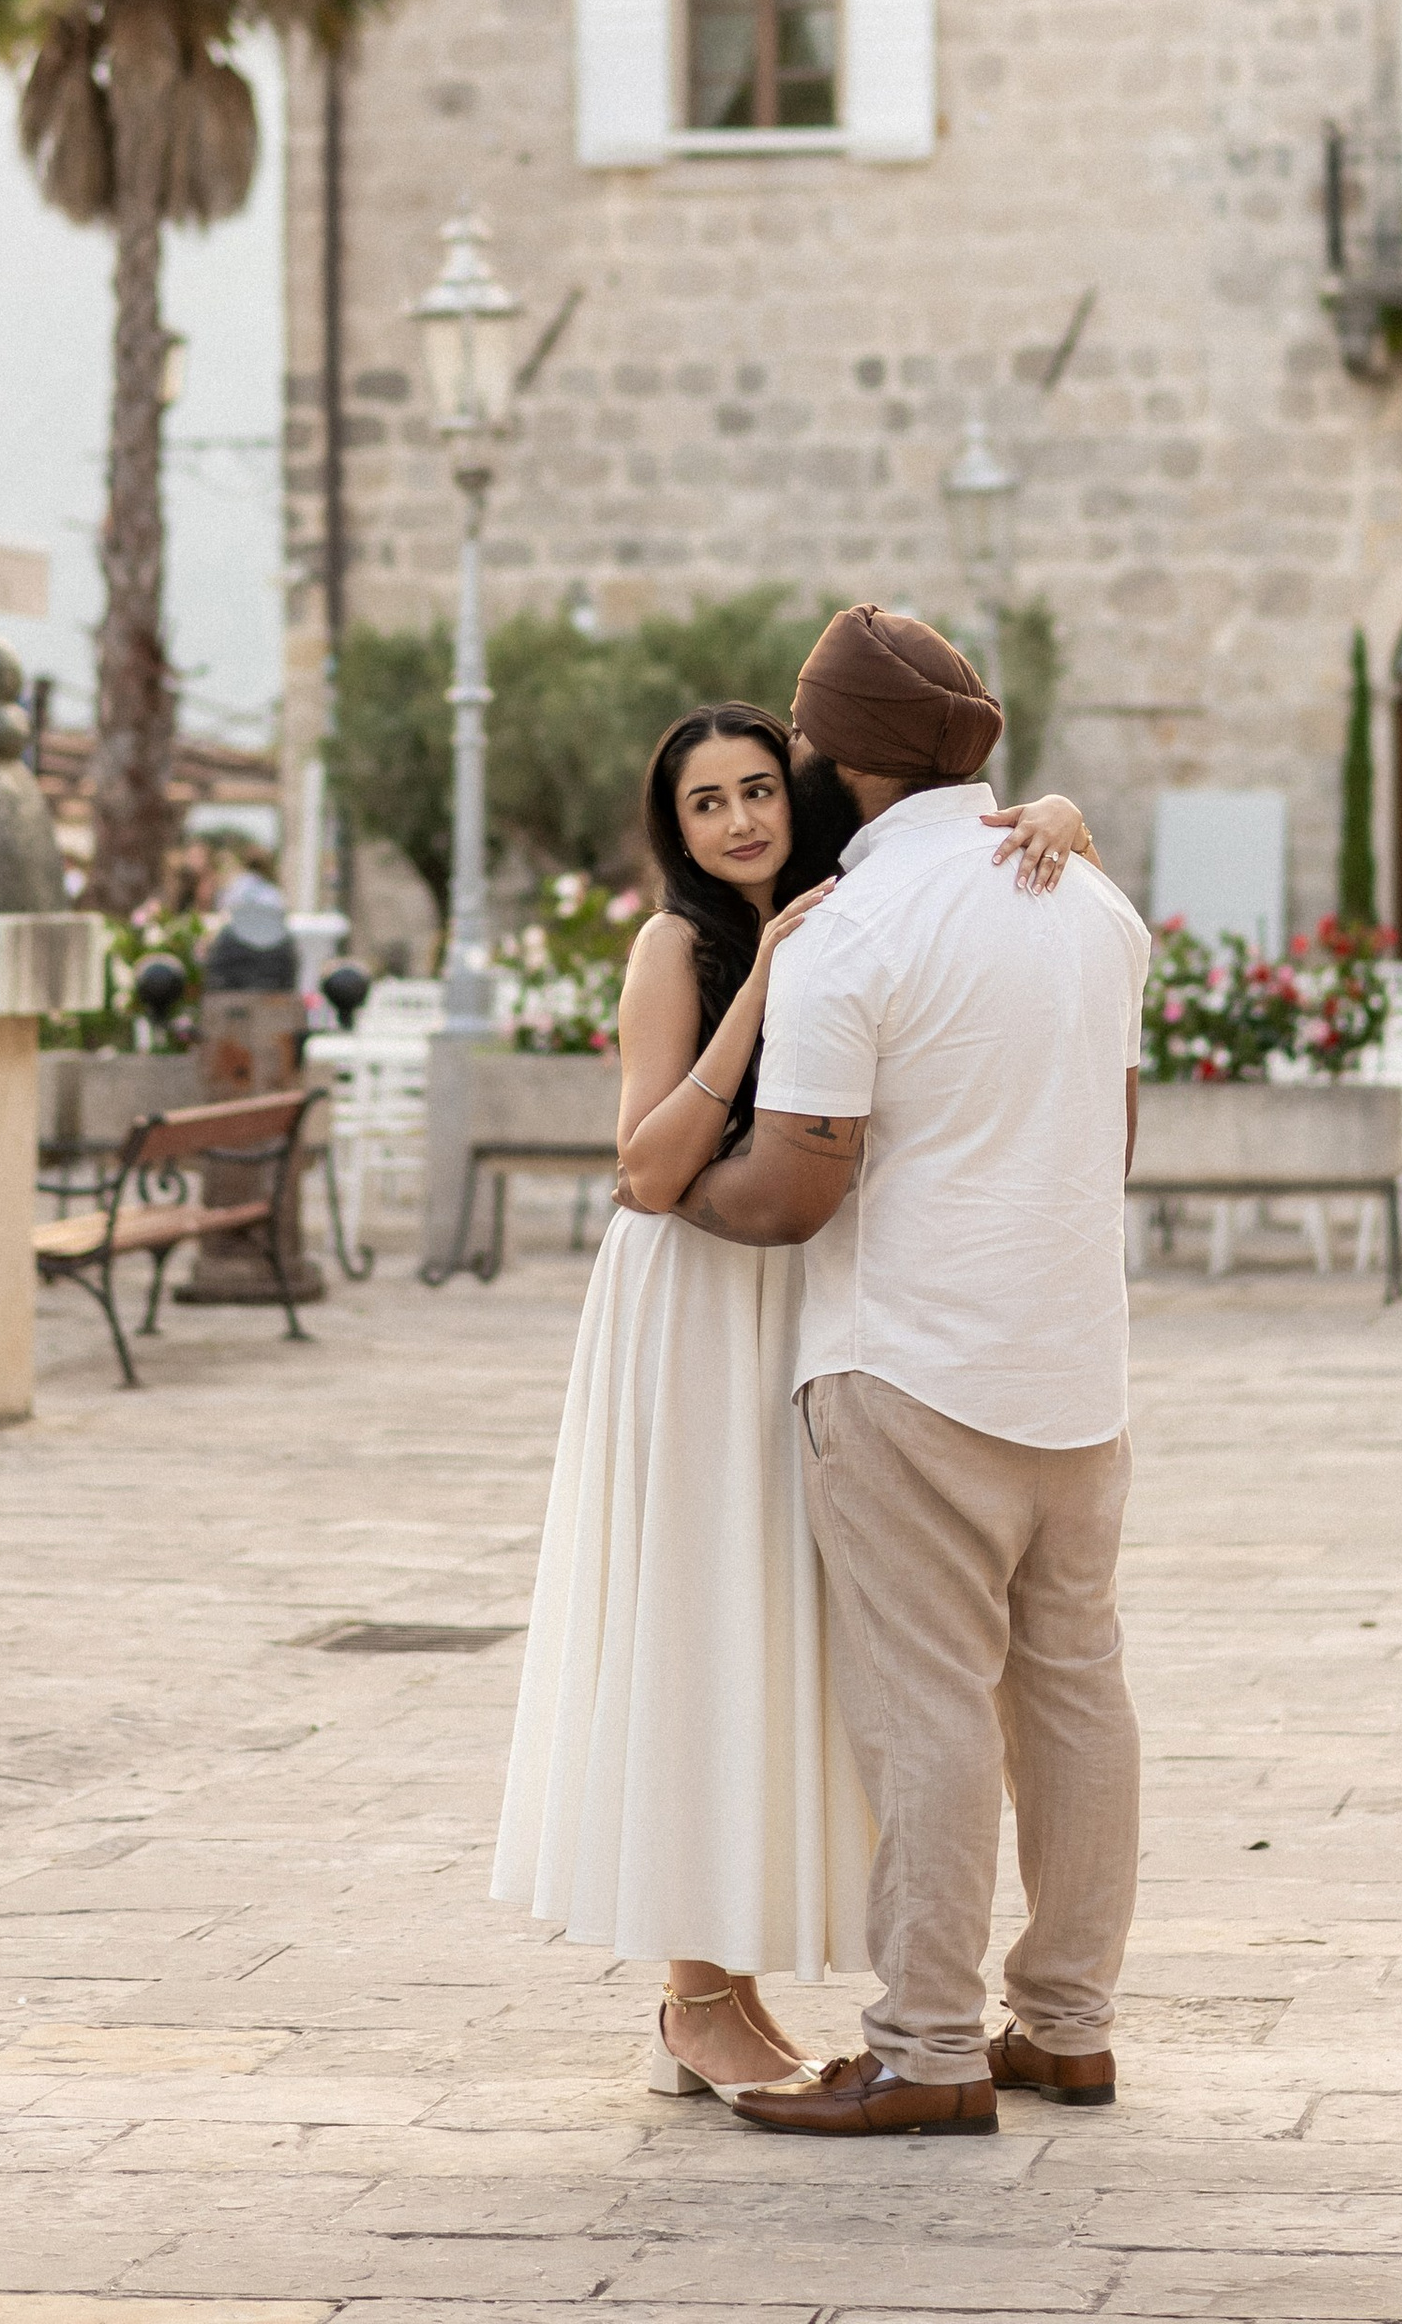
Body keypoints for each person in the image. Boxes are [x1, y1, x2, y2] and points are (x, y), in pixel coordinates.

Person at [490, 697, 1098, 2105]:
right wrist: (762, 977)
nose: (740, 820)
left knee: (785, 1633)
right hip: (694, 1301)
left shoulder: (871, 894)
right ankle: (697, 2000)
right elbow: (644, 1167)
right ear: (679, 830)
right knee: (697, 1619)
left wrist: (1060, 822)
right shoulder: (677, 946)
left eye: (758, 788)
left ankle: (731, 1983)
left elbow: (1007, 851)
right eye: (707, 804)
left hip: (814, 1297)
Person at [660, 606, 1152, 2142]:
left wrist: (680, 1191)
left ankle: (929, 2045)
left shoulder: (857, 935)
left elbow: (801, 1186)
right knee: (1075, 1692)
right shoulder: (1093, 902)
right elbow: (1112, 1137)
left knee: (927, 1708)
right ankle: (1063, 2027)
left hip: (911, 1366)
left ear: (836, 756)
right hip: (1079, 1366)